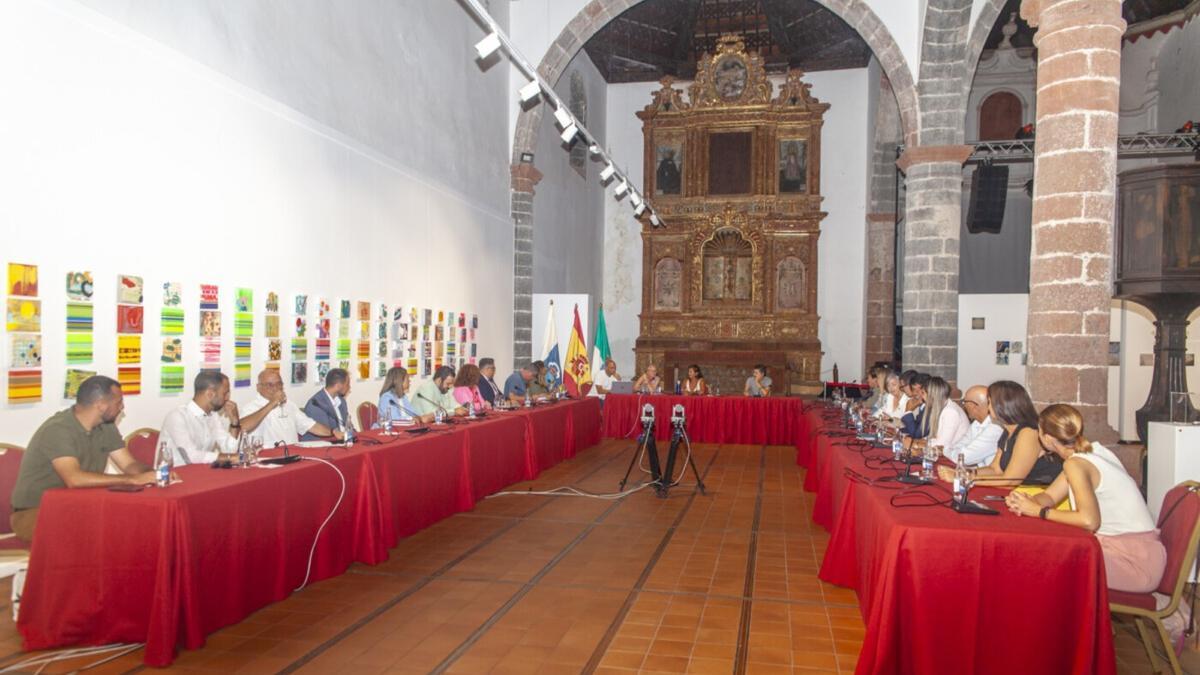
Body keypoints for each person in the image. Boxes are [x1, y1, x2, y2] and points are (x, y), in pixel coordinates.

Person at [1006, 404, 1165, 593]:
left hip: (1132, 562)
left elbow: (1090, 521)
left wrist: (1039, 512)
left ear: (1046, 438)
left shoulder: (1076, 464)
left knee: (1040, 560)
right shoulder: (1092, 452)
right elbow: (1049, 496)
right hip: (1141, 552)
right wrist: (1025, 501)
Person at [10, 375, 157, 542]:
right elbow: (74, 479)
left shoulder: (106, 426)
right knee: (99, 534)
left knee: (130, 522)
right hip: (35, 511)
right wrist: (131, 480)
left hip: (78, 505)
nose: (122, 407)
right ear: (101, 405)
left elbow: (129, 464)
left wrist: (153, 474)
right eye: (119, 402)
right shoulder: (58, 429)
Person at [971, 380, 1062, 486]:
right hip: (1021, 491)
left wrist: (967, 480)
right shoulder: (1008, 430)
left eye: (989, 402)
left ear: (1002, 405)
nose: (988, 408)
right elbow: (995, 469)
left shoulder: (1028, 432)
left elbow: (1012, 480)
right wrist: (963, 473)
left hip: (1041, 491)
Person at [241, 368, 338, 446]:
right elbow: (242, 428)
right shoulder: (251, 407)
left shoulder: (289, 405)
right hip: (266, 457)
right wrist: (272, 403)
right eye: (270, 385)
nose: (276, 388)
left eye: (279, 384)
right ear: (258, 387)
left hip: (292, 455)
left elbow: (311, 425)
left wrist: (333, 432)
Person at [160, 370, 241, 464]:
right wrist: (229, 457)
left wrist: (235, 422)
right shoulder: (177, 416)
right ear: (210, 394)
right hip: (175, 472)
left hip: (201, 470)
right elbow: (190, 456)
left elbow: (230, 450)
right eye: (225, 393)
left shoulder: (213, 416)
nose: (227, 398)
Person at [941, 385, 1003, 467]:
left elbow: (964, 458)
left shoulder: (995, 429)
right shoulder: (976, 423)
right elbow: (959, 445)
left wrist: (944, 450)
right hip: (975, 470)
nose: (964, 405)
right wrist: (951, 451)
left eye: (964, 402)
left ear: (973, 406)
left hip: (986, 474)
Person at [909, 376, 968, 455]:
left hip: (953, 457)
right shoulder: (942, 407)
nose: (922, 397)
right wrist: (916, 441)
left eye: (923, 393)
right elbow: (933, 437)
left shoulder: (950, 412)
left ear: (932, 395)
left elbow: (941, 445)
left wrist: (916, 444)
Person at [302, 368, 352, 441]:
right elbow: (325, 434)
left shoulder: (341, 401)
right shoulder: (316, 404)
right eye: (347, 384)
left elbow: (348, 426)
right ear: (338, 386)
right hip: (321, 444)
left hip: (342, 442)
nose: (349, 387)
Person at [899, 373, 930, 439]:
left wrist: (908, 411)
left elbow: (916, 435)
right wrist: (898, 431)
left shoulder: (929, 408)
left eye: (919, 390)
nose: (915, 393)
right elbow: (914, 427)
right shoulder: (923, 406)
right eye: (913, 390)